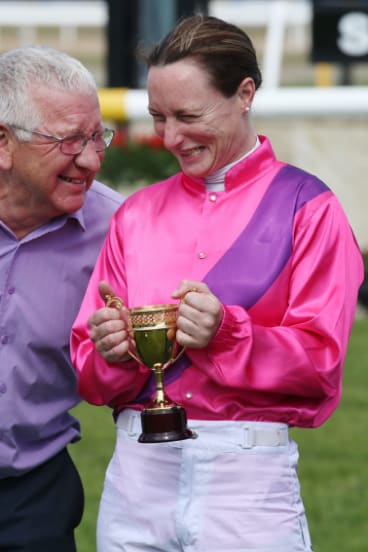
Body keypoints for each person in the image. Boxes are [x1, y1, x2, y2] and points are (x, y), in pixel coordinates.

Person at [71, 15, 363, 552]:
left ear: (245, 93)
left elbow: (322, 367)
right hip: (136, 476)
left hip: (247, 486)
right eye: (158, 116)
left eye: (188, 115)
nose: (171, 137)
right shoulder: (135, 215)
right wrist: (110, 350)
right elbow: (88, 371)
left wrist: (229, 333)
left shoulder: (309, 209)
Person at [0, 45, 123, 551]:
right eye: (70, 141)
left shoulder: (120, 229)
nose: (91, 159)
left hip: (33, 497)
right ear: (3, 143)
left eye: (97, 138)